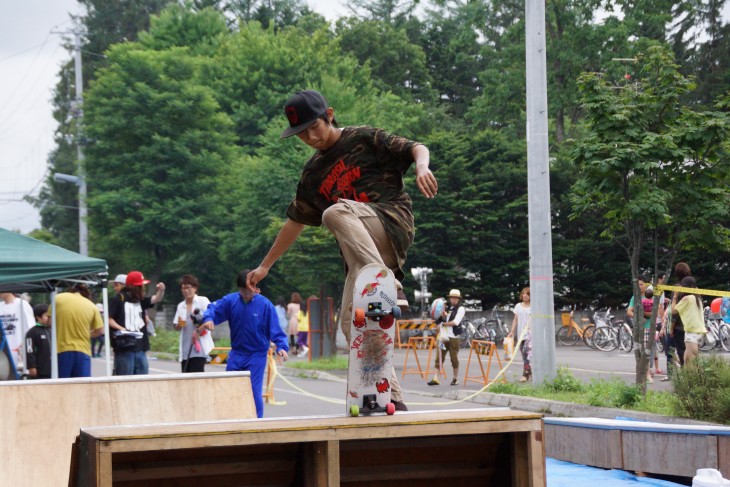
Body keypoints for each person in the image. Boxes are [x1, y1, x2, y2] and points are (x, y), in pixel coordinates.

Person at [246, 89, 438, 411]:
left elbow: (415, 147)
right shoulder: (312, 174)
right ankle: (390, 396)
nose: (309, 137)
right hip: (361, 254)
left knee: (334, 212)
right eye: (301, 134)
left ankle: (388, 283)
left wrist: (421, 167)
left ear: (330, 114)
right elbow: (295, 221)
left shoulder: (363, 138)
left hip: (390, 222)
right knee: (352, 322)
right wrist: (265, 266)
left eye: (313, 127)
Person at [201, 270, 289, 418]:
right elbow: (213, 308)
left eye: (249, 291)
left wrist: (282, 346)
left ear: (255, 288)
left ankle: (256, 422)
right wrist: (208, 319)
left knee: (253, 392)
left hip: (257, 355)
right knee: (229, 387)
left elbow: (275, 329)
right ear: (239, 289)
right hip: (237, 353)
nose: (246, 294)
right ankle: (229, 419)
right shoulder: (231, 301)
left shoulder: (265, 305)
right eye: (243, 291)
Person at [108, 271, 165, 375]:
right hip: (124, 346)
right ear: (133, 287)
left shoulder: (140, 300)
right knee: (125, 378)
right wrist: (121, 328)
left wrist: (161, 290)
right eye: (141, 286)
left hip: (140, 347)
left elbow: (156, 299)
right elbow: (109, 319)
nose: (143, 288)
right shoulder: (119, 298)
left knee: (142, 377)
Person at [55, 284, 104, 378]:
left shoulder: (58, 298)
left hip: (62, 349)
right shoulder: (91, 305)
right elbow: (100, 331)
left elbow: (49, 322)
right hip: (83, 350)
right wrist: (87, 334)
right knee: (82, 385)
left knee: (62, 386)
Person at [173, 274, 212, 373]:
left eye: (188, 288)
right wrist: (179, 324)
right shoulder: (181, 306)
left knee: (197, 377)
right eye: (183, 288)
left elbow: (210, 320)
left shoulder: (202, 301)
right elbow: (176, 327)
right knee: (186, 378)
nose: (186, 291)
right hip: (185, 347)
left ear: (195, 288)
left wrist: (198, 331)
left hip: (199, 347)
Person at [427, 289, 465, 386]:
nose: (453, 299)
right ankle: (435, 378)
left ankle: (455, 379)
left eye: (455, 298)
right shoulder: (446, 308)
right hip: (443, 337)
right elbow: (437, 319)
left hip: (453, 337)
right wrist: (442, 316)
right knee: (438, 358)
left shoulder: (461, 309)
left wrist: (443, 323)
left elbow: (455, 322)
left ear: (458, 299)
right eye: (452, 297)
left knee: (454, 359)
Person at [626, 275, 656, 383]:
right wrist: (638, 316)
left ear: (647, 285)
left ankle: (647, 374)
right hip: (638, 329)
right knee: (638, 352)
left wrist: (645, 314)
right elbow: (629, 312)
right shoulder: (635, 298)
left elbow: (655, 313)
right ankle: (640, 373)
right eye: (637, 285)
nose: (639, 287)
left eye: (641, 284)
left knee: (646, 352)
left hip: (648, 328)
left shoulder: (652, 297)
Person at [671, 276, 706, 364]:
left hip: (691, 332)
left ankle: (694, 377)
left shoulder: (687, 298)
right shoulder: (698, 298)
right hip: (699, 331)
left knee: (691, 361)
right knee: (686, 358)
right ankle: (687, 376)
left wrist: (675, 296)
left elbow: (673, 311)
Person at [0, 292, 34, 371]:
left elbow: (31, 326)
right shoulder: (0, 306)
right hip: (4, 351)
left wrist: (23, 345)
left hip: (20, 351)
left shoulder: (22, 304)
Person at [507, 287, 532, 382]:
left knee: (526, 351)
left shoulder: (534, 306)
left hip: (530, 334)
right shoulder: (518, 306)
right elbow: (515, 319)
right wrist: (512, 331)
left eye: (527, 294)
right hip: (521, 333)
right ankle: (529, 372)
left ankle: (525, 374)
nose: (525, 295)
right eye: (524, 293)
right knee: (524, 354)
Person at [25, 304, 51, 379]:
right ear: (38, 317)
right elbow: (29, 350)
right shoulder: (32, 332)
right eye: (46, 316)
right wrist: (31, 366)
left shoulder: (52, 330)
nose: (49, 318)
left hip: (53, 370)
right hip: (40, 371)